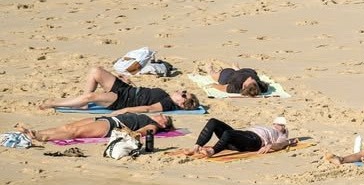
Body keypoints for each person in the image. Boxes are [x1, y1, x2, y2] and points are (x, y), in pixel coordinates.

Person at [39, 66, 200, 114]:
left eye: (183, 94)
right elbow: (144, 95)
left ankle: (55, 103)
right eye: (184, 91)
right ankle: (82, 104)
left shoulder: (167, 103)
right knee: (96, 71)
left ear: (182, 103)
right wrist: (129, 83)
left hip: (123, 100)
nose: (181, 91)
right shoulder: (165, 95)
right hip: (126, 89)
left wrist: (125, 110)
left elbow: (148, 108)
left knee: (91, 96)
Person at [182, 116, 298, 158]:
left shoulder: (282, 135)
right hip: (242, 138)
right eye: (277, 123)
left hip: (255, 141)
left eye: (281, 125)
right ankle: (196, 147)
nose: (278, 125)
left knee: (228, 133)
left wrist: (271, 145)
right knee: (213, 122)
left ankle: (212, 151)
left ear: (285, 128)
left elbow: (281, 144)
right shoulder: (270, 128)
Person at [16, 113, 173, 143]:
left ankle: (43, 137)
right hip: (108, 118)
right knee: (68, 126)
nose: (161, 115)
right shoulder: (146, 116)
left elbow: (141, 132)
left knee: (75, 132)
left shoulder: (154, 125)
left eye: (164, 117)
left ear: (164, 124)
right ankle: (36, 132)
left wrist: (127, 134)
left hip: (113, 125)